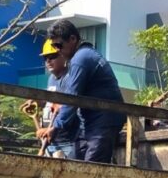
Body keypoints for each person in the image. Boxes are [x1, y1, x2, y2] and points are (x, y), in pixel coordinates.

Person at [44, 19, 126, 163]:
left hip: (103, 120)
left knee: (92, 167)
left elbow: (71, 98)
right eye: (54, 46)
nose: (57, 50)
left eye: (59, 45)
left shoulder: (81, 59)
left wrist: (55, 127)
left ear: (72, 39)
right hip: (89, 122)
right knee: (74, 162)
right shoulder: (83, 56)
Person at [23, 39, 82, 158]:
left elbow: (68, 106)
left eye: (52, 57)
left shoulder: (70, 78)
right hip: (50, 140)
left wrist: (52, 128)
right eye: (45, 58)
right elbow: (51, 102)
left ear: (62, 56)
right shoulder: (51, 79)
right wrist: (38, 101)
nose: (48, 61)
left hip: (66, 141)